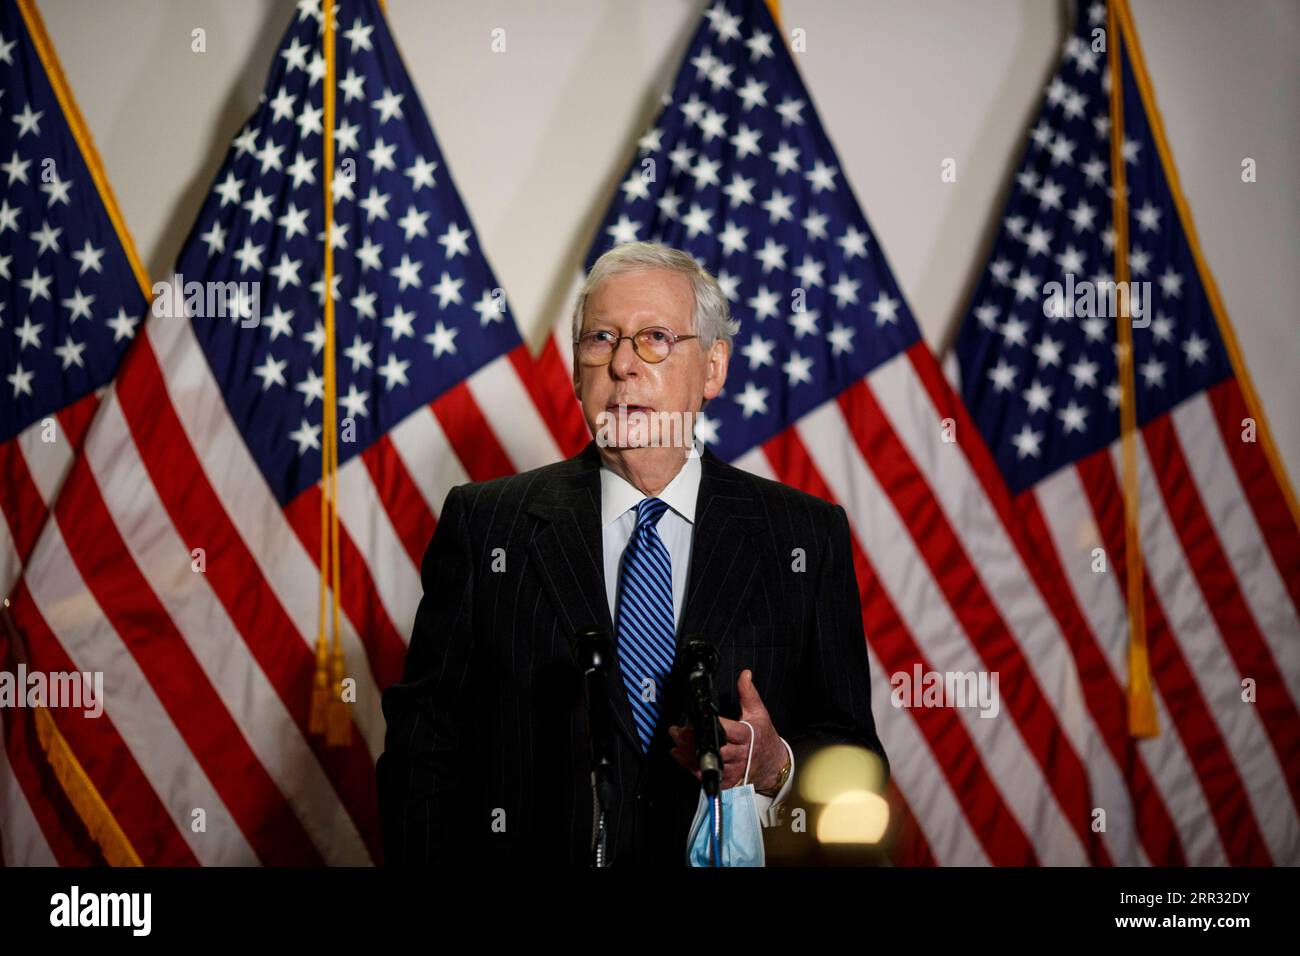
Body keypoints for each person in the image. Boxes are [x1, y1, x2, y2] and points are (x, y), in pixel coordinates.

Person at [377, 241, 887, 865]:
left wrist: (778, 767)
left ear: (714, 369)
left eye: (654, 339)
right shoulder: (488, 525)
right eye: (601, 339)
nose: (622, 364)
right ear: (575, 370)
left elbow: (855, 761)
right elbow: (423, 754)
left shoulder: (805, 536)